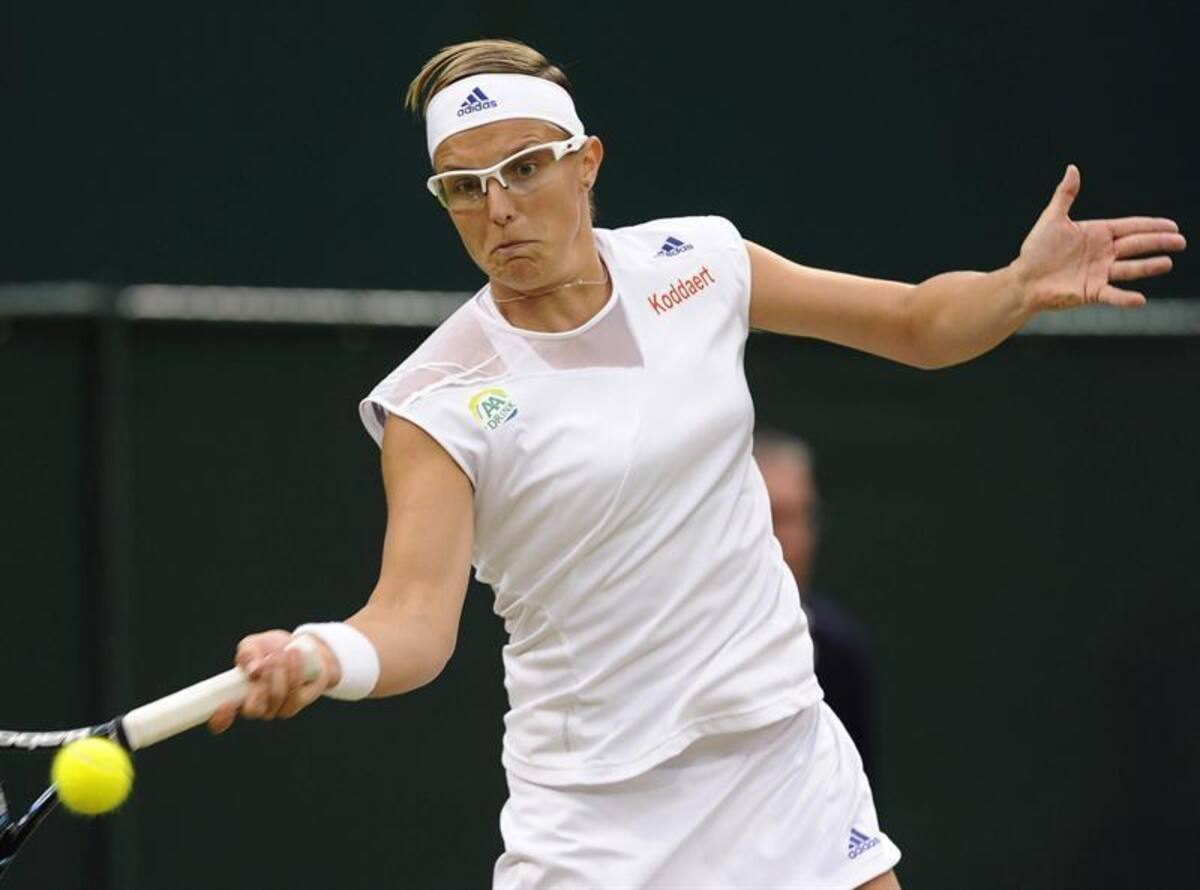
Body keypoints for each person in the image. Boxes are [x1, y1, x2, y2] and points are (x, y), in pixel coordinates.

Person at [205, 38, 1186, 890]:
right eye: (463, 186)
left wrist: (1016, 287)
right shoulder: (434, 401)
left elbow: (915, 323)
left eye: (524, 168)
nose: (496, 207)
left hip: (780, 753)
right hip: (598, 816)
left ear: (586, 162)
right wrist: (324, 655)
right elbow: (413, 622)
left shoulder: (700, 264)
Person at [755, 430, 878, 780]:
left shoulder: (840, 650)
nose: (794, 537)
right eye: (777, 515)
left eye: (804, 516)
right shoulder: (680, 640)